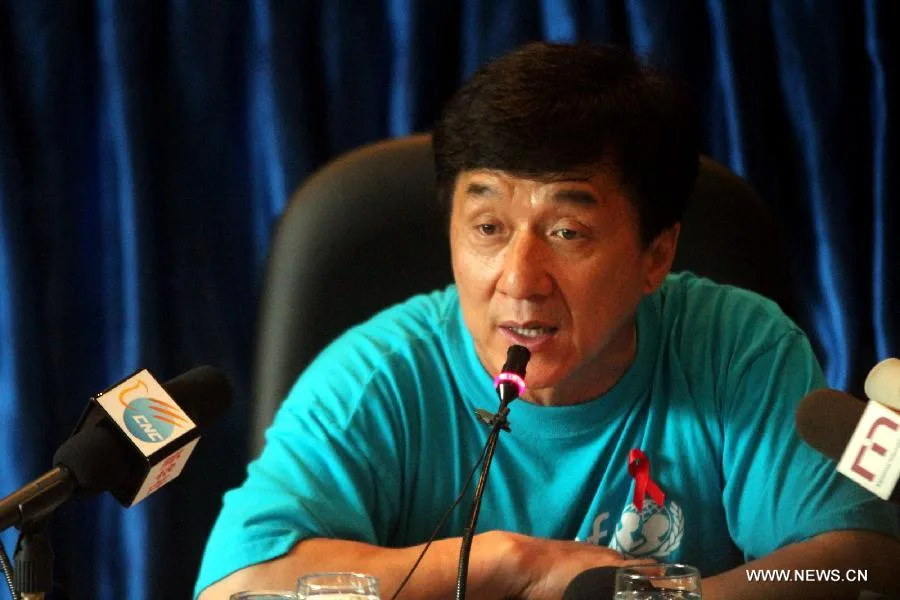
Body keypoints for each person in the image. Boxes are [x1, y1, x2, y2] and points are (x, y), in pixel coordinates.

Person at [195, 42, 900, 599]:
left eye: (567, 232)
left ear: (656, 255)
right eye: (488, 227)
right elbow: (237, 586)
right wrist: (509, 563)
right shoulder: (375, 377)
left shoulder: (738, 348)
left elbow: (852, 563)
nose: (520, 281)